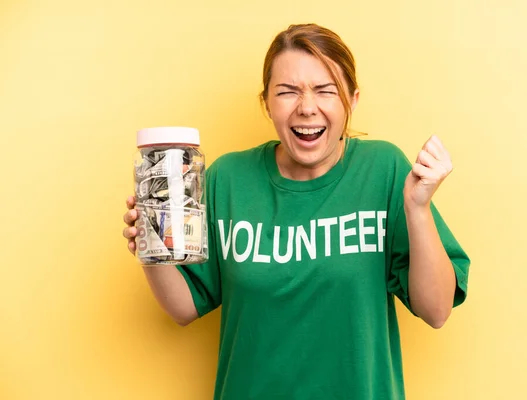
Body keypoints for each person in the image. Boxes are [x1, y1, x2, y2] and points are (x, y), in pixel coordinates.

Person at [122, 23, 470, 400]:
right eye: (287, 92)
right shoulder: (227, 178)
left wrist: (418, 209)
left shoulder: (385, 170)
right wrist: (151, 247)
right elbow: (184, 307)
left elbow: (436, 311)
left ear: (351, 100)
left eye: (325, 91)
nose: (307, 107)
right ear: (267, 103)